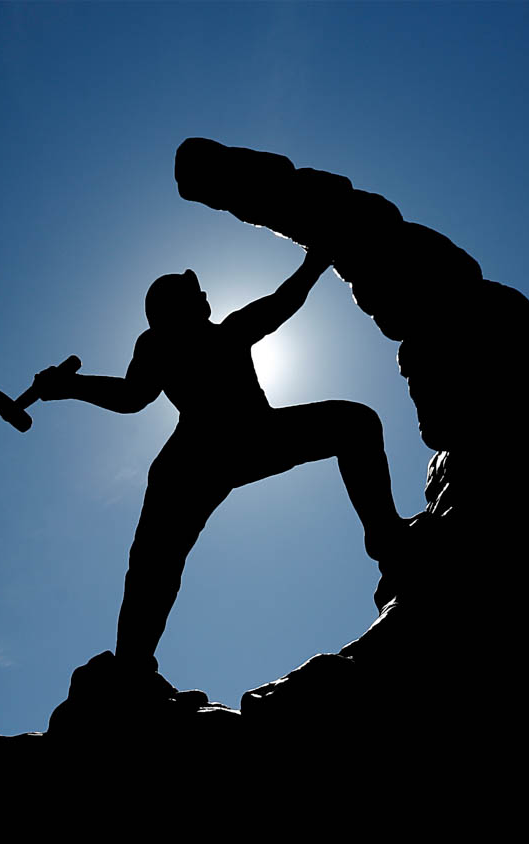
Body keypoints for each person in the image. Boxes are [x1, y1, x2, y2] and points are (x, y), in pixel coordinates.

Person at [30, 249, 404, 673]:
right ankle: (131, 664)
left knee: (354, 423)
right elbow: (133, 396)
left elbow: (280, 303)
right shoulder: (183, 340)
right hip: (210, 455)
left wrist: (69, 385)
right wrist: (71, 385)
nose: (205, 296)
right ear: (181, 306)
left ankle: (388, 539)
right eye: (196, 293)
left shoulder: (208, 335)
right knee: (155, 560)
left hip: (232, 446)